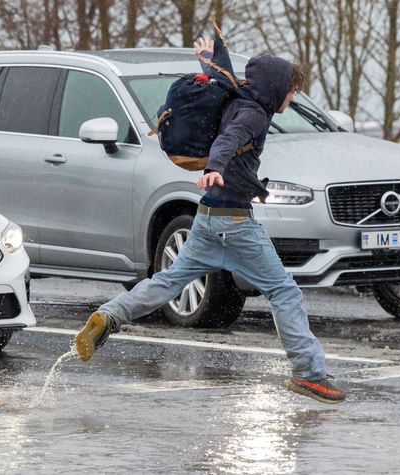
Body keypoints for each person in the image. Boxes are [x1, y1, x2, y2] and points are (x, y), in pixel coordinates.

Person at [74, 39, 346, 404]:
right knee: (284, 291)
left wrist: (208, 58)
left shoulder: (238, 97)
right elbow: (228, 140)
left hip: (206, 218)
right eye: (291, 91)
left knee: (169, 281)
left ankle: (109, 316)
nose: (292, 98)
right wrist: (215, 168)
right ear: (277, 89)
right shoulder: (253, 114)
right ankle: (310, 374)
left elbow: (223, 78)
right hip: (235, 222)